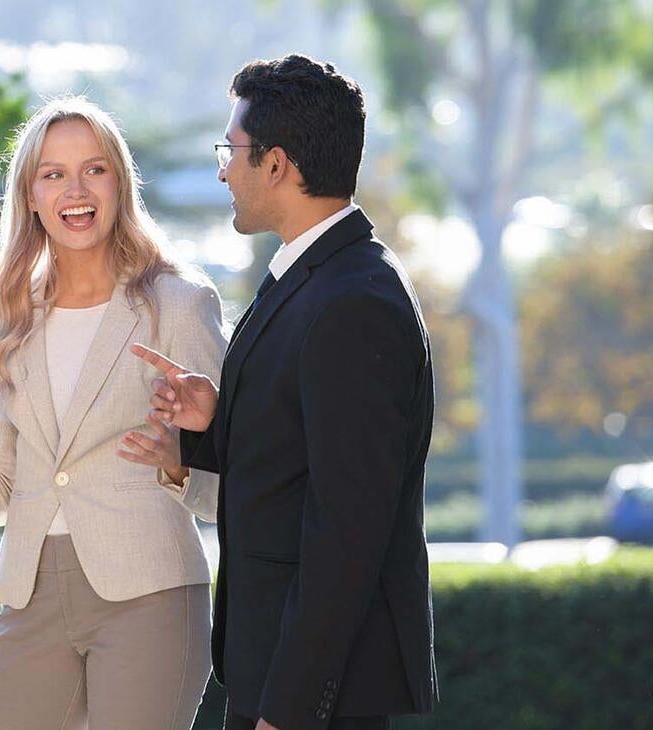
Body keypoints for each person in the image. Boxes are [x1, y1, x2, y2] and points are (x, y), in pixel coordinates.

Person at [0, 96, 224, 729]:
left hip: (150, 590)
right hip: (29, 592)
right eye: (53, 173)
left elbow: (228, 486)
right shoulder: (1, 314)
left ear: (121, 184)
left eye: (94, 169)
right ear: (29, 194)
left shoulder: (180, 304)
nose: (75, 189)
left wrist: (177, 463)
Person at [131, 55, 437, 730]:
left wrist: (290, 709)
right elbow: (303, 452)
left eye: (231, 151)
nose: (222, 171)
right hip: (272, 675)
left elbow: (347, 529)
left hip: (314, 696)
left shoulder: (355, 299)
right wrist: (216, 422)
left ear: (276, 164)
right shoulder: (316, 276)